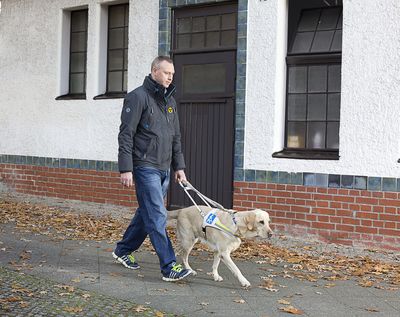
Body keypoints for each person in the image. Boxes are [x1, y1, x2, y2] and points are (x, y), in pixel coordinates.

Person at [112, 56, 191, 282]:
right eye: (167, 73)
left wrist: (180, 167)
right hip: (144, 166)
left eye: (172, 74)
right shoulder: (137, 97)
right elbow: (125, 134)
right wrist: (125, 168)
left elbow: (176, 137)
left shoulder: (170, 102)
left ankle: (123, 250)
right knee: (157, 215)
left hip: (164, 168)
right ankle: (169, 267)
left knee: (146, 212)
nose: (170, 77)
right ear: (155, 71)